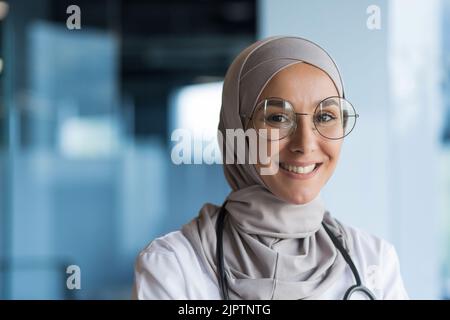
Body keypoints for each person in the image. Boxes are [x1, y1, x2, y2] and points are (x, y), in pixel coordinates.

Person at [132, 36, 409, 300]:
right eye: (277, 117)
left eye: (325, 116)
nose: (305, 143)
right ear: (236, 129)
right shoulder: (172, 266)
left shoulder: (374, 263)